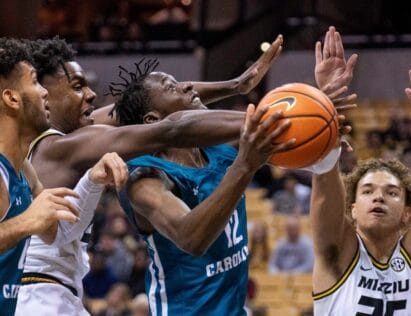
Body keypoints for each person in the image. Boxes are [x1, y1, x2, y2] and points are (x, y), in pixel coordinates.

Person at [16, 34, 284, 316]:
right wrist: (273, 119)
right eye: (77, 86)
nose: (92, 94)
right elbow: (169, 127)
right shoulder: (59, 148)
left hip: (51, 292)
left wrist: (235, 86)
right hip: (40, 296)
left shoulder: (58, 142)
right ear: (43, 93)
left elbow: (148, 106)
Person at [116, 26, 357, 315]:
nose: (189, 86)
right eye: (172, 88)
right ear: (152, 119)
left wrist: (323, 106)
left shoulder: (220, 149)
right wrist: (244, 166)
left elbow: (303, 151)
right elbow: (191, 238)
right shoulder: (144, 179)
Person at [310, 65, 411, 315]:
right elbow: (325, 177)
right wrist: (328, 105)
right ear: (352, 208)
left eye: (392, 192)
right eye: (368, 191)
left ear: (407, 212)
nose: (379, 196)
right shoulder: (338, 253)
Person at [0, 38, 128, 315]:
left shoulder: (23, 169)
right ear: (11, 98)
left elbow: (59, 234)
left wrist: (92, 181)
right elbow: (30, 224)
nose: (44, 92)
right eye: (35, 83)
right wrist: (25, 222)